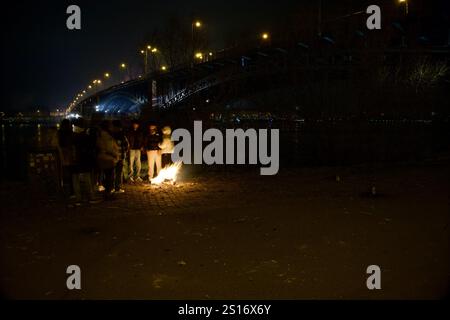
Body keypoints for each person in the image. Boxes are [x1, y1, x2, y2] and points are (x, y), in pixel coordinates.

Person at [96, 120, 120, 198]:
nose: (112, 127)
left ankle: (107, 192)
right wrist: (115, 155)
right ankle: (108, 193)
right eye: (110, 126)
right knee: (109, 177)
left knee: (107, 176)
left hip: (106, 158)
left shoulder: (102, 134)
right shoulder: (106, 135)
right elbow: (109, 148)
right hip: (108, 158)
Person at [57, 119, 76, 198]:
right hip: (70, 155)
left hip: (62, 155)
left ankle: (64, 191)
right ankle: (72, 192)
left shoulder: (59, 133)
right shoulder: (71, 134)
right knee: (72, 174)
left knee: (63, 174)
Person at [111, 120, 129, 193]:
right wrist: (124, 152)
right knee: (118, 173)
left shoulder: (110, 134)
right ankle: (117, 188)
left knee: (112, 172)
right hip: (120, 156)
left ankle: (111, 187)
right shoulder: (122, 135)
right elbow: (126, 145)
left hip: (112, 156)